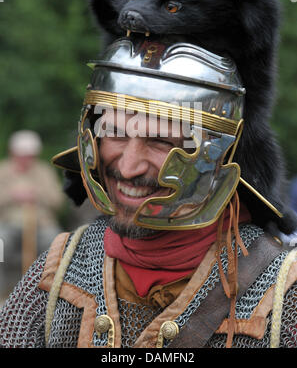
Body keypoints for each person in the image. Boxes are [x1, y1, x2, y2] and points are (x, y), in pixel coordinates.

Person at [0, 38, 296, 349]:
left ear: (215, 155)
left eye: (160, 142)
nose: (128, 168)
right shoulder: (63, 264)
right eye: (114, 133)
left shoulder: (284, 291)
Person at [0, 130, 64, 302]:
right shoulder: (3, 170)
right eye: (22, 155)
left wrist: (37, 193)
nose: (26, 159)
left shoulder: (43, 172)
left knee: (56, 242)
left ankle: (48, 294)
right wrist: (12, 195)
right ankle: (2, 292)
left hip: (42, 224)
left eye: (30, 155)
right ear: (13, 153)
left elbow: (58, 201)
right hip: (8, 223)